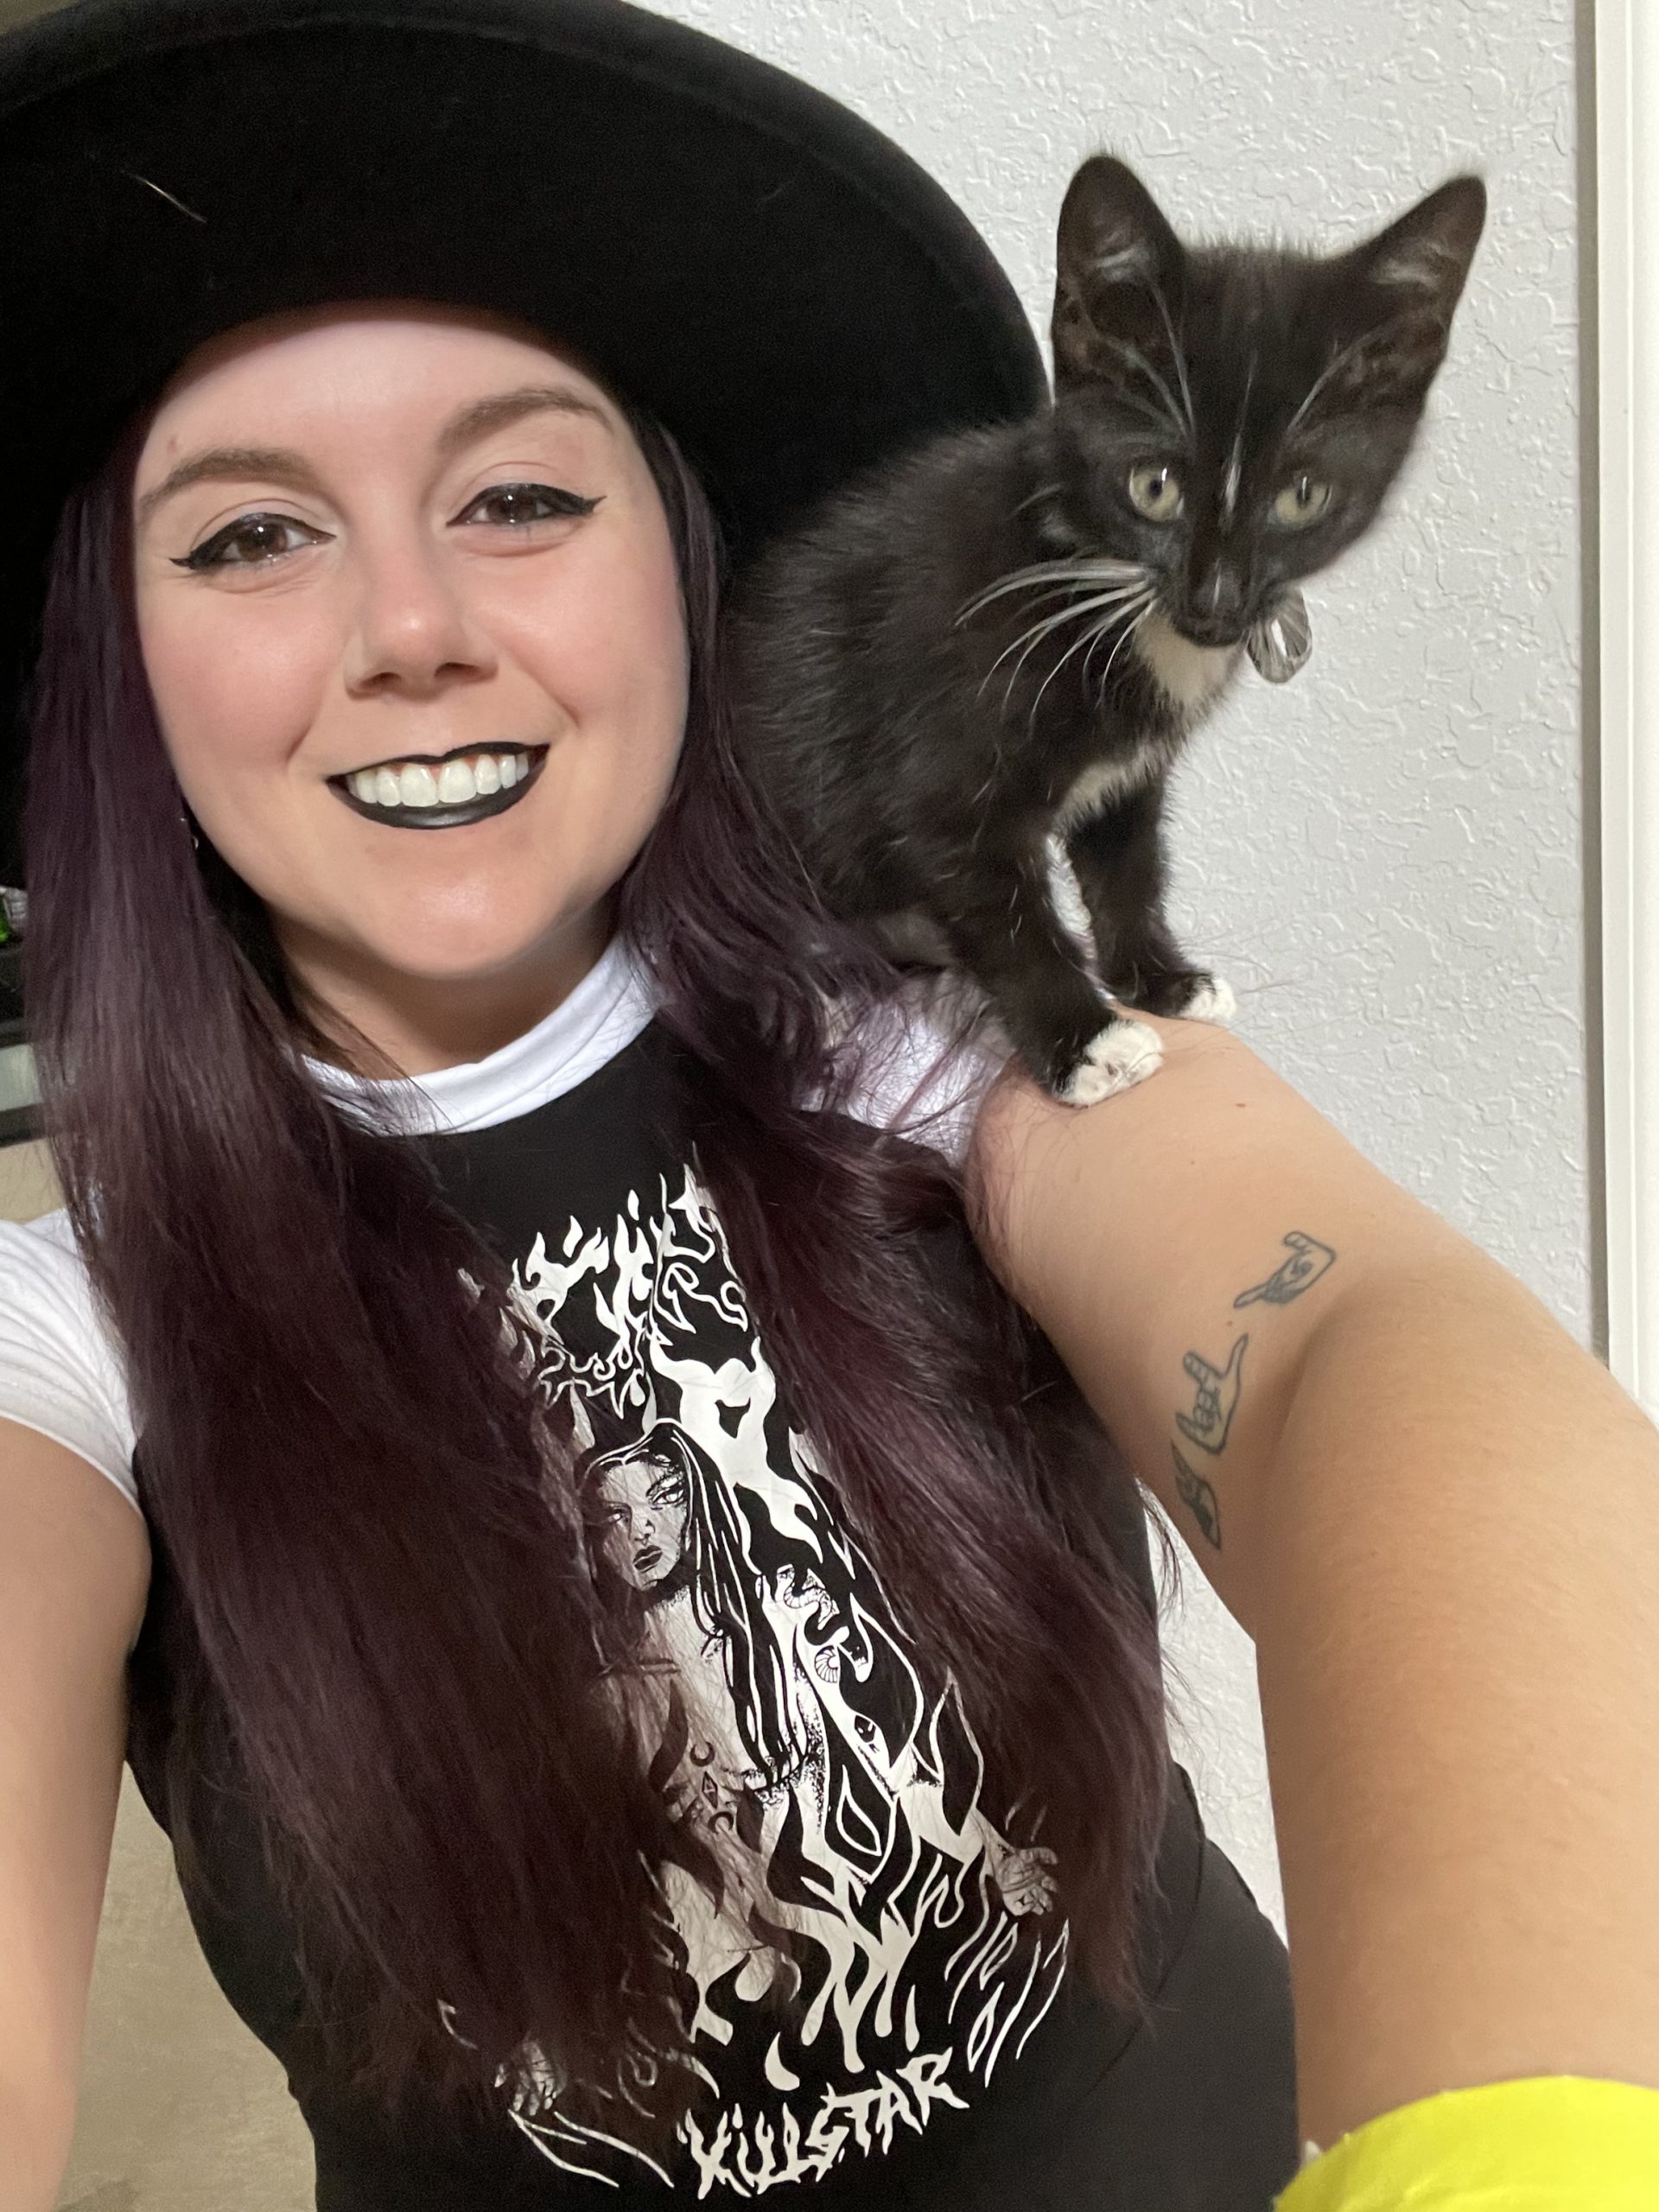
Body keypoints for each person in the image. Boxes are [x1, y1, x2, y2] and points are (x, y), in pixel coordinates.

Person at [0, 3, 1656, 2209]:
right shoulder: (72, 1329)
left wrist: (1507, 2136)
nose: (408, 624)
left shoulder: (931, 1044)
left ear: (683, 566)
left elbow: (1370, 1353)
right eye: (245, 538)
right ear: (117, 657)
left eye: (516, 494)